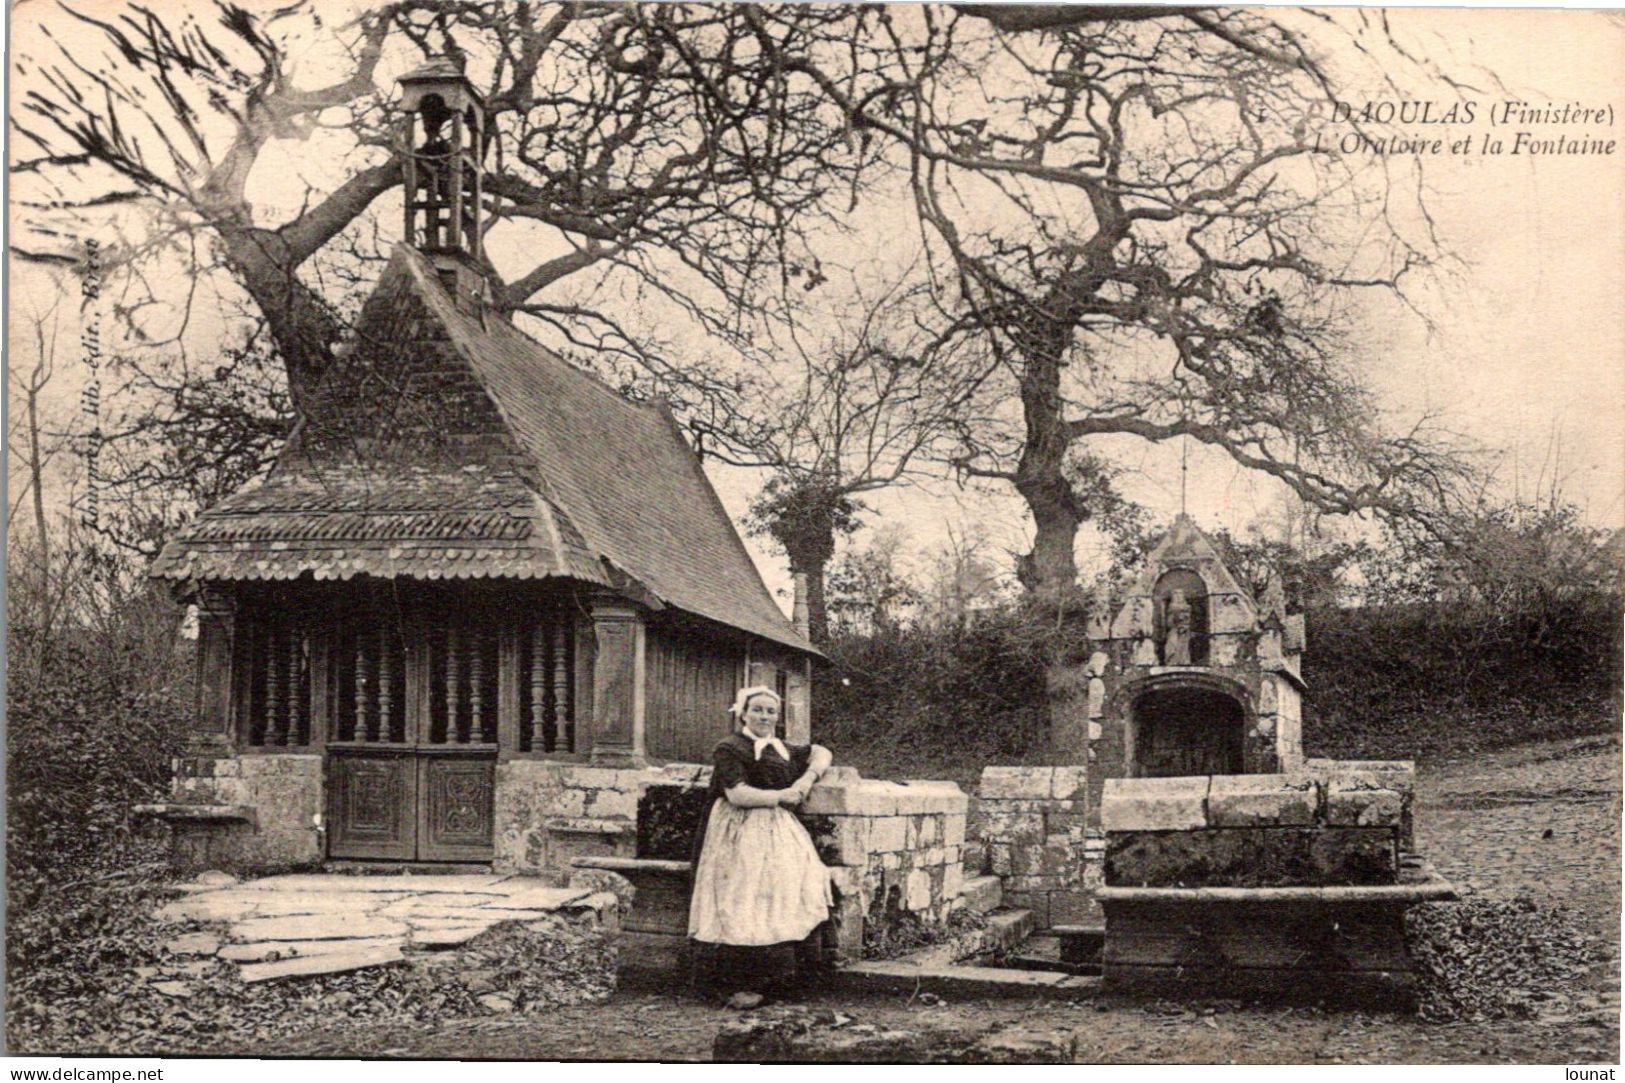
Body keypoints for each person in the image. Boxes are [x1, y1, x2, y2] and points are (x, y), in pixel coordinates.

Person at [688, 686, 833, 1001]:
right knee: (744, 896)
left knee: (793, 887)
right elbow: (737, 794)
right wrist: (782, 796)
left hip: (777, 828)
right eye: (758, 710)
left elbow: (821, 752)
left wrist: (805, 780)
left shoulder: (780, 748)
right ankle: (737, 984)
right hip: (738, 829)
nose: (765, 716)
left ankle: (780, 982)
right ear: (743, 713)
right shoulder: (730, 747)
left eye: (771, 711)